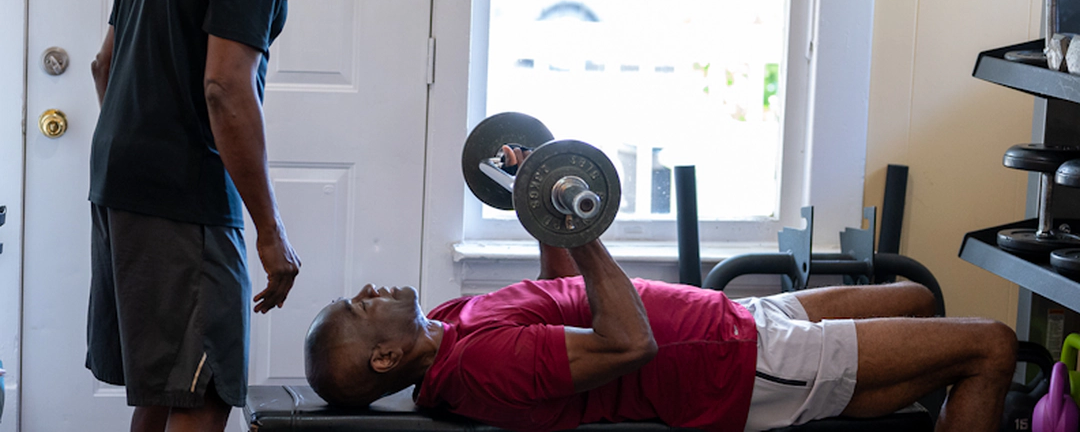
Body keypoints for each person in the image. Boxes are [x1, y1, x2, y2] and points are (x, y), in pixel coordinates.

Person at [87, 0, 360, 430]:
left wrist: (141, 149)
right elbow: (226, 86)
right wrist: (270, 231)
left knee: (167, 386)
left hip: (118, 184)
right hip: (186, 197)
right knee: (206, 386)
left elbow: (104, 65)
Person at [305, 238, 1017, 431]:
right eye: (360, 307)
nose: (370, 292)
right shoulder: (483, 366)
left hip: (731, 324)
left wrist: (547, 221)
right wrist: (584, 233)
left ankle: (847, 393)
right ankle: (832, 390)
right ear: (386, 355)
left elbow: (563, 299)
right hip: (743, 362)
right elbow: (626, 344)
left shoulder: (456, 324)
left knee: (919, 297)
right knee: (990, 343)